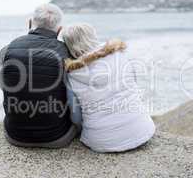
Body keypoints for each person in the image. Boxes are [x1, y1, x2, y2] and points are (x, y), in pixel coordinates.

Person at [62, 24, 156, 153]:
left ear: (69, 46)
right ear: (93, 36)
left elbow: (76, 116)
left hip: (100, 140)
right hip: (142, 130)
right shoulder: (120, 54)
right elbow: (134, 84)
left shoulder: (72, 74)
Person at [0, 4, 79, 148]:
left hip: (15, 135)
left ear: (30, 23)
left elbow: (3, 86)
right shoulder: (66, 53)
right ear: (59, 30)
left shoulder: (7, 50)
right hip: (57, 136)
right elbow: (75, 94)